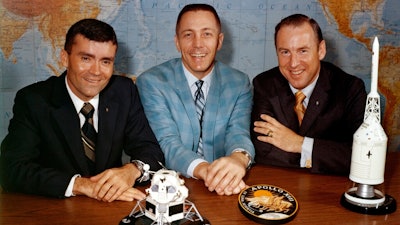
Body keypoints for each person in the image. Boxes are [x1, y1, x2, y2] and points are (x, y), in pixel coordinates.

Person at [0, 18, 164, 202]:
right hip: (55, 209)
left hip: (111, 207)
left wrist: (132, 170)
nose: (96, 71)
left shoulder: (124, 91)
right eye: (86, 58)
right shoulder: (34, 100)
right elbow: (11, 169)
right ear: (64, 58)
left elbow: (150, 150)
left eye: (105, 61)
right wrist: (82, 185)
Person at [136, 4, 255, 196]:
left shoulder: (239, 83)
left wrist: (238, 159)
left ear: (219, 40)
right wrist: (208, 171)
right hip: (170, 190)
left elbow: (238, 132)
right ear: (177, 42)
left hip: (225, 189)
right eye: (188, 35)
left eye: (207, 34)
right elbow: (167, 142)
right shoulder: (151, 82)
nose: (197, 44)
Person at [251, 14, 367, 175]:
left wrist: (299, 144)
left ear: (321, 50)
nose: (293, 63)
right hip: (281, 183)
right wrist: (327, 154)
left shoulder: (350, 89)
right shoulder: (264, 84)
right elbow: (263, 152)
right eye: (285, 52)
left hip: (329, 189)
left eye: (303, 51)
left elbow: (362, 157)